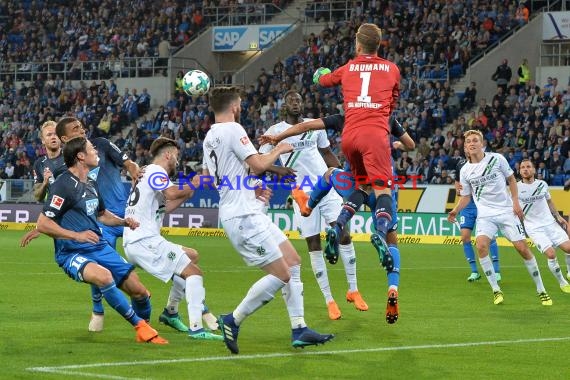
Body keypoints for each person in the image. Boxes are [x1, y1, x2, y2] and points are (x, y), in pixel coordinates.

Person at [202, 86, 333, 355]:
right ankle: (233, 319)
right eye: (239, 103)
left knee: (294, 262)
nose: (241, 107)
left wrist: (251, 186)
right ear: (234, 106)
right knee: (282, 274)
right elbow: (260, 164)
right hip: (243, 216)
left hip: (245, 209)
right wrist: (280, 148)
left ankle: (299, 328)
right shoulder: (234, 130)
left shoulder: (210, 137)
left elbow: (225, 174)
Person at [259, 113, 415, 324]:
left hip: (351, 182)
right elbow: (411, 145)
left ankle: (314, 210)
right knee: (390, 235)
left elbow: (305, 127)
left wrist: (278, 138)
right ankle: (391, 284)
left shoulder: (345, 117)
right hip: (381, 183)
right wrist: (398, 145)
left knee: (331, 175)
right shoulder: (388, 118)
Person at [36, 136, 167, 344]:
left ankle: (146, 329)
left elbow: (102, 215)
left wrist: (124, 222)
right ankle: (140, 327)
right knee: (104, 276)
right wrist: (76, 235)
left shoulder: (91, 184)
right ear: (80, 156)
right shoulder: (63, 185)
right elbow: (42, 224)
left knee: (139, 291)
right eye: (92, 149)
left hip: (98, 246)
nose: (96, 152)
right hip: (72, 252)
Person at [260, 91, 368, 321]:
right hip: (301, 192)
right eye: (291, 100)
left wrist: (346, 179)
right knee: (314, 243)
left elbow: (327, 152)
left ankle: (353, 289)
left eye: (299, 100)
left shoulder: (314, 126)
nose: (296, 103)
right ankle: (329, 300)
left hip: (325, 184)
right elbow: (259, 161)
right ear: (284, 106)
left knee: (343, 233)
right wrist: (280, 170)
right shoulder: (275, 132)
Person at [313, 23, 401, 283]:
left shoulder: (348, 68)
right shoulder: (392, 69)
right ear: (379, 44)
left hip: (350, 136)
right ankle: (381, 232)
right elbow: (393, 100)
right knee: (382, 191)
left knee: (358, 186)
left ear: (358, 45)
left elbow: (324, 81)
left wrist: (321, 74)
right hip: (375, 135)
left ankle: (338, 224)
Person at [123, 137, 222, 340]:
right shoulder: (155, 171)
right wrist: (194, 183)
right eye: (176, 155)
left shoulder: (147, 173)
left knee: (192, 256)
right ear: (168, 154)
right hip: (143, 240)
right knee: (194, 273)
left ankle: (171, 311)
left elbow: (164, 208)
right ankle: (197, 328)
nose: (178, 160)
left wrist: (188, 191)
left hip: (137, 241)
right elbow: (171, 192)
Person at [448, 130, 552, 306]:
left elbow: (511, 179)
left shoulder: (497, 159)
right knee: (481, 246)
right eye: (468, 142)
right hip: (485, 215)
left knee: (522, 249)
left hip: (506, 212)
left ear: (482, 144)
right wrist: (455, 210)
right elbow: (466, 196)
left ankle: (541, 290)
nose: (472, 143)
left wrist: (516, 202)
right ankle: (496, 290)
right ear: (465, 147)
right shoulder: (465, 170)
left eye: (475, 140)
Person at [518, 159, 570, 291]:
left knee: (569, 248)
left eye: (528, 167)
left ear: (534, 170)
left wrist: (558, 217)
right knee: (551, 254)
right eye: (522, 167)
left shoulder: (542, 184)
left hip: (550, 224)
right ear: (519, 171)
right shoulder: (516, 188)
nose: (525, 169)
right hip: (534, 228)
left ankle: (569, 272)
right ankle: (562, 282)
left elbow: (549, 201)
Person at [454, 155, 501, 282]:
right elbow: (457, 185)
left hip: (483, 205)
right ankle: (474, 271)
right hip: (467, 207)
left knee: (490, 237)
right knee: (465, 238)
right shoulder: (461, 165)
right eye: (466, 145)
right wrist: (459, 190)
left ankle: (496, 271)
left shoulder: (485, 162)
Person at [32, 121, 66, 202]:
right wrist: (44, 183)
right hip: (54, 210)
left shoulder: (72, 157)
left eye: (56, 134)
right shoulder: (39, 164)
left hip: (75, 210)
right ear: (43, 140)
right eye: (49, 135)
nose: (53, 137)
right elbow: (38, 197)